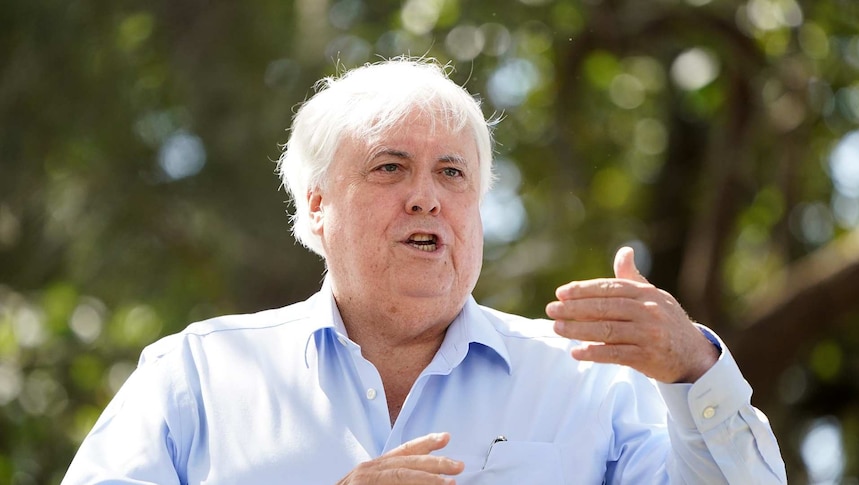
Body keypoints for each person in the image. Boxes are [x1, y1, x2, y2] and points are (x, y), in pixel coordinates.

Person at [62, 57, 786, 484]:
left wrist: (697, 370)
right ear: (316, 207)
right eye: (390, 166)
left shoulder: (590, 383)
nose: (425, 195)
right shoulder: (197, 375)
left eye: (451, 172)